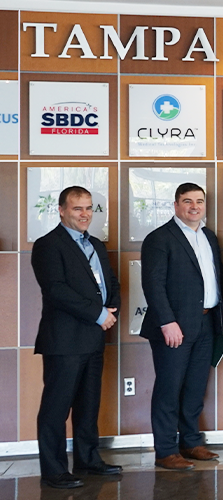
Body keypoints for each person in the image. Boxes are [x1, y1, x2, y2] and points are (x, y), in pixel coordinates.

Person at [31, 186, 122, 489]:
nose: (85, 215)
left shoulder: (95, 243)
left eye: (89, 208)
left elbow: (111, 282)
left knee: (88, 405)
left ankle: (88, 459)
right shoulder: (48, 245)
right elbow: (56, 290)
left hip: (94, 338)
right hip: (65, 340)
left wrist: (112, 310)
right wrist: (99, 314)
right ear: (61, 210)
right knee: (57, 408)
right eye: (77, 209)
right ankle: (54, 470)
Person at [140, 183, 223, 470]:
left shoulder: (208, 237)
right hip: (174, 326)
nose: (195, 206)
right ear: (176, 205)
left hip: (206, 323)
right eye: (188, 201)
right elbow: (152, 285)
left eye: (200, 201)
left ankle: (191, 443)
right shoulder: (159, 238)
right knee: (169, 388)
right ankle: (166, 450)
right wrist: (167, 322)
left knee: (194, 388)